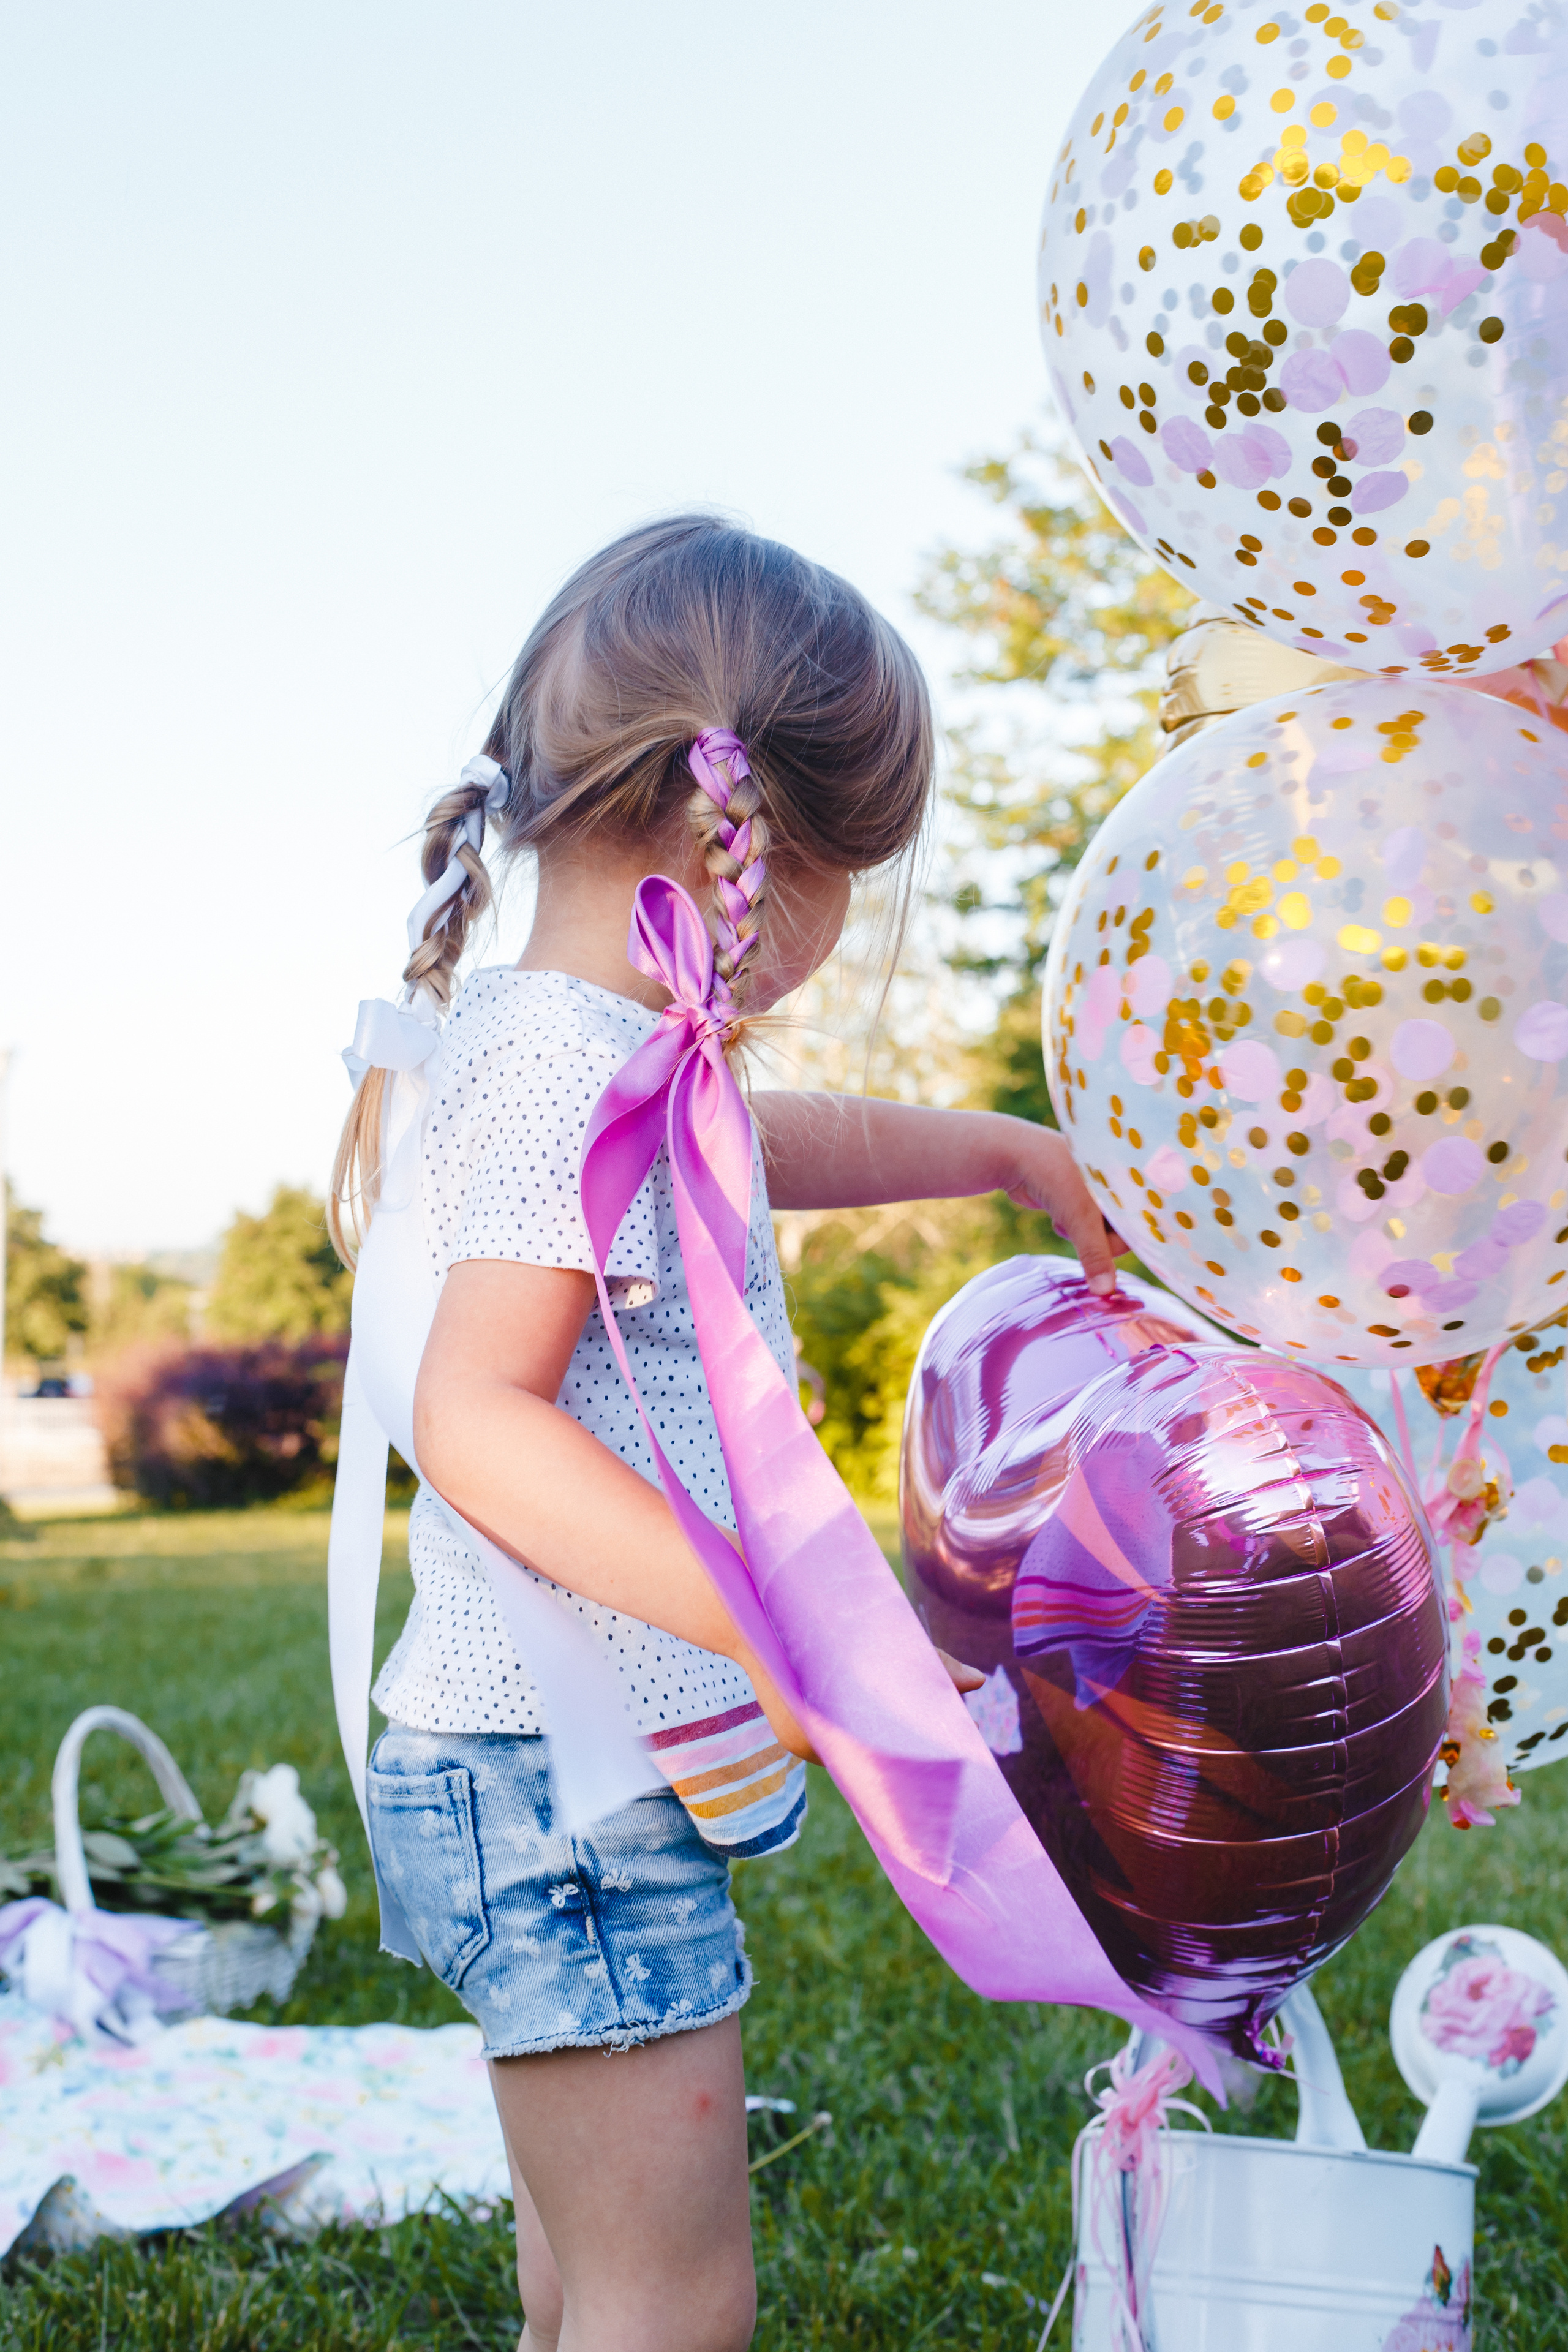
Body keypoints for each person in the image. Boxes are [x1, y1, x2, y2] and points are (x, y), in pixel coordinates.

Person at [330, 516, 1121, 2352]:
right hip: (561, 1787)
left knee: (588, 2295)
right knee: (667, 2310)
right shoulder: (563, 1069)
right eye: (852, 877)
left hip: (532, 1770)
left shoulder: (586, 1040)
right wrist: (771, 1614)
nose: (838, 935)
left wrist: (1003, 1153)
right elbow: (477, 1419)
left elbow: (780, 1151)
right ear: (738, 838)